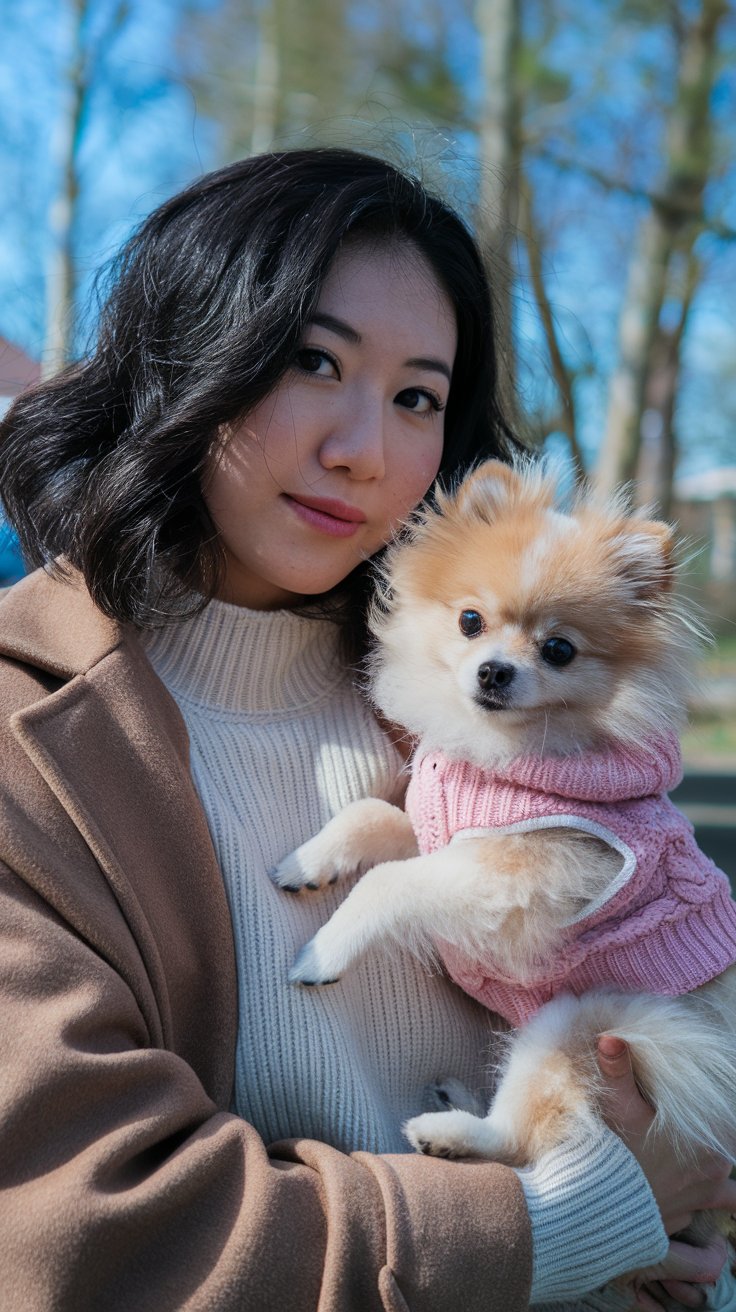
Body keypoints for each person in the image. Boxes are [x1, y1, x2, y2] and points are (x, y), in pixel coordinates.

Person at [0, 148, 733, 1312]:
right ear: (193, 350)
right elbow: (86, 1225)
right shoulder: (30, 732)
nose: (364, 449)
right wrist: (561, 1222)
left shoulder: (476, 710)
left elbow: (672, 1148)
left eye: (416, 397)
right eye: (312, 361)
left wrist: (675, 1222)